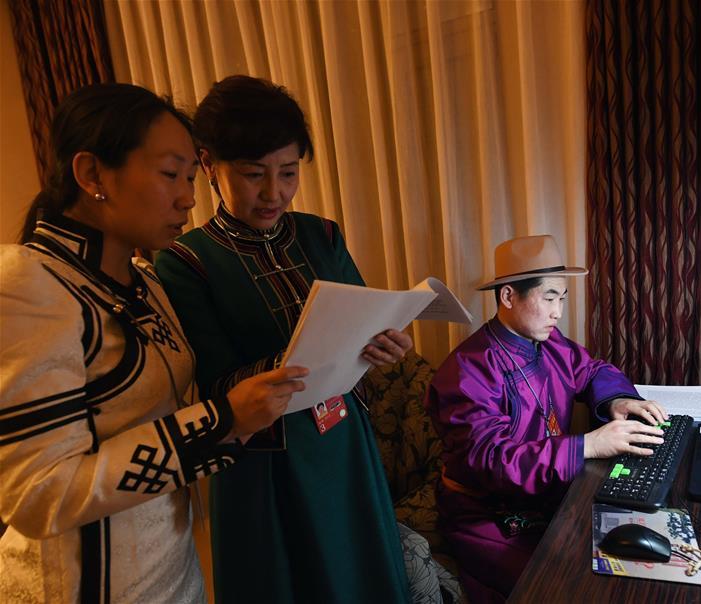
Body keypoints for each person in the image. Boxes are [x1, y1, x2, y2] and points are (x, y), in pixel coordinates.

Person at [0, 83, 307, 603]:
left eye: (190, 177)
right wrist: (221, 421)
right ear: (92, 174)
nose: (189, 197)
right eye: (170, 175)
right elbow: (39, 493)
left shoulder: (144, 281)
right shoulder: (30, 284)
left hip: (174, 569)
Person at [154, 75, 430, 603]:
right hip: (265, 463)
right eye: (253, 174)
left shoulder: (320, 234)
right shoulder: (186, 263)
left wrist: (385, 343)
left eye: (288, 172)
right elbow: (213, 383)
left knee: (363, 577)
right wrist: (297, 360)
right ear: (208, 165)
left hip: (343, 441)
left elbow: (364, 317)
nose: (274, 192)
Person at [426, 234, 668, 602]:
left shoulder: (549, 342)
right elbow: (491, 460)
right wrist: (586, 445)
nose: (558, 313)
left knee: (625, 554)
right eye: (549, 298)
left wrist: (617, 399)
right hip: (485, 513)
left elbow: (590, 370)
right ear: (509, 296)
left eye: (562, 299)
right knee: (567, 584)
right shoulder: (468, 370)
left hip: (546, 493)